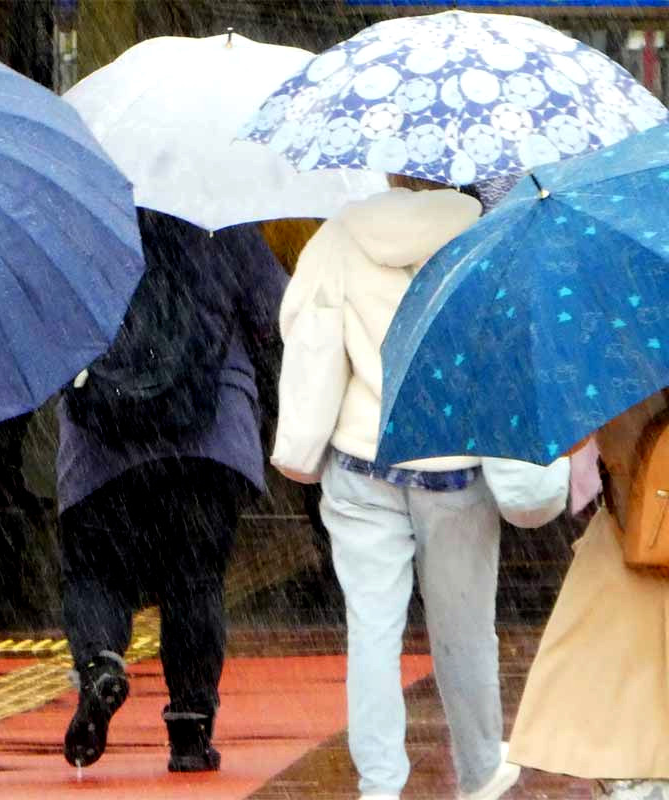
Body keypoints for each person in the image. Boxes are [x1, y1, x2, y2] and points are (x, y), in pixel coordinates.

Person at [272, 176, 567, 800]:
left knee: (372, 631)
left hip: (361, 462)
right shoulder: (487, 241)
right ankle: (480, 770)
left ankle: (380, 784)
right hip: (455, 466)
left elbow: (303, 336)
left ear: (391, 172)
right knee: (464, 631)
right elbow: (513, 356)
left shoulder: (338, 237)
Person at [55, 209, 286, 772]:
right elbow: (277, 314)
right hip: (206, 434)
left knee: (95, 571)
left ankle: (101, 664)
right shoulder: (220, 216)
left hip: (103, 438)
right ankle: (190, 729)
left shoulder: (81, 216)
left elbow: (47, 323)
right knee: (195, 579)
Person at [508, 390, 669, 799]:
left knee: (623, 711)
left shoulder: (604, 351)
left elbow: (561, 440)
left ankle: (634, 779)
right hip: (632, 541)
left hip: (634, 532)